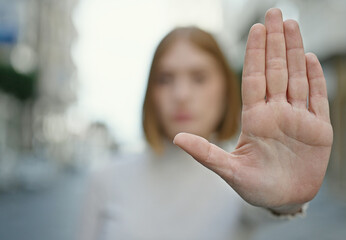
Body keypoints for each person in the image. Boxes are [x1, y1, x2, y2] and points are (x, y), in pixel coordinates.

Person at [78, 8, 333, 240]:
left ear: (225, 90)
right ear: (150, 92)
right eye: (165, 79)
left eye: (199, 78)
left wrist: (285, 197)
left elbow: (268, 199)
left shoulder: (241, 175)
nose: (181, 94)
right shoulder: (106, 178)